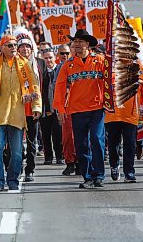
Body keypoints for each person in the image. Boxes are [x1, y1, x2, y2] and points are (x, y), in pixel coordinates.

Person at [0, 35, 41, 191]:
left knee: (17, 153)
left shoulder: (24, 64)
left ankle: (13, 179)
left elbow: (34, 87)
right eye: (10, 45)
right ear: (2, 48)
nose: (13, 48)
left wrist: (36, 107)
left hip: (17, 116)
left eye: (14, 45)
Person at [53, 29, 107, 189]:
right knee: (81, 144)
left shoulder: (100, 60)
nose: (76, 44)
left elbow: (110, 82)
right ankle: (87, 176)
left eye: (80, 41)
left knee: (97, 140)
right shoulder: (67, 65)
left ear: (87, 44)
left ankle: (99, 175)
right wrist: (60, 109)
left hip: (97, 107)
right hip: (76, 109)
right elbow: (60, 88)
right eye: (75, 42)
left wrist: (111, 102)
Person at [106, 60, 143, 183]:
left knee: (130, 144)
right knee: (113, 143)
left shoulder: (140, 68)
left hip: (131, 114)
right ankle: (114, 165)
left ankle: (129, 172)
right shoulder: (110, 66)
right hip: (112, 113)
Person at [15, 29, 45, 182]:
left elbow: (44, 86)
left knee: (32, 141)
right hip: (17, 108)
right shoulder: (12, 63)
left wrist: (40, 107)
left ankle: (30, 169)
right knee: (16, 141)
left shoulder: (39, 63)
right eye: (22, 47)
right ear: (17, 49)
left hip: (33, 108)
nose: (25, 49)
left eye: (27, 46)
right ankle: (17, 166)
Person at [51, 44, 79, 175]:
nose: (65, 56)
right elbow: (57, 88)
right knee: (68, 136)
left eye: (67, 53)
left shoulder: (84, 63)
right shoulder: (62, 67)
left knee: (82, 136)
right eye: (62, 54)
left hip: (81, 105)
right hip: (67, 106)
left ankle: (81, 162)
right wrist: (58, 108)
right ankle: (70, 162)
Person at [40, 49, 64, 165]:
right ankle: (48, 157)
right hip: (44, 108)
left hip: (57, 107)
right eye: (46, 58)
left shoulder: (60, 71)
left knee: (58, 133)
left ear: (55, 57)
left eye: (50, 57)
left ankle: (60, 156)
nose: (48, 60)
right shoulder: (41, 73)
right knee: (45, 134)